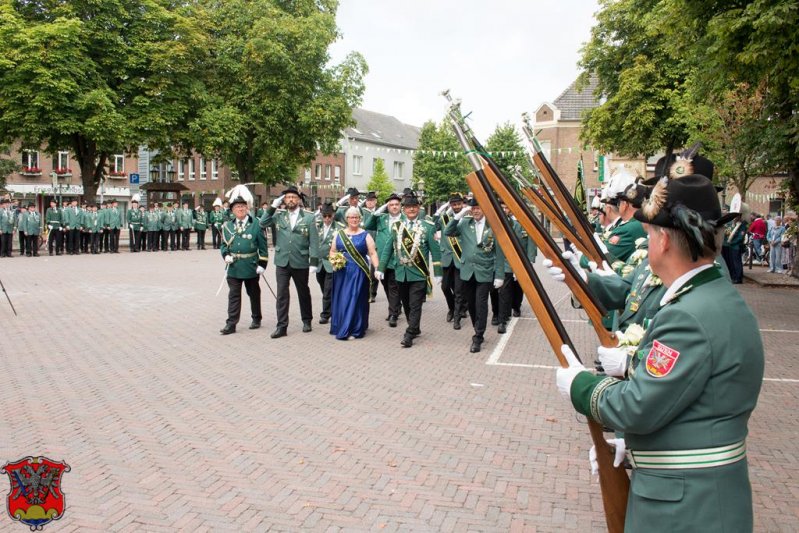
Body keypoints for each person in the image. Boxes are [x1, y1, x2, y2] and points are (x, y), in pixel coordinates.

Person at [556, 173, 762, 532]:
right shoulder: (713, 298)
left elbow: (637, 406)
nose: (648, 242)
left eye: (650, 234)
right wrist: (637, 450)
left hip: (685, 509)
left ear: (663, 240)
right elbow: (688, 404)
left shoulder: (686, 315)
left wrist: (580, 385)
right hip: (703, 495)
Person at [376, 192, 441, 348]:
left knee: (415, 304)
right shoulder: (397, 226)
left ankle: (410, 333)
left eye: (414, 207)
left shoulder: (428, 227)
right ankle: (415, 327)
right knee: (406, 304)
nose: (411, 209)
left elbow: (435, 251)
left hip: (418, 273)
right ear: (403, 209)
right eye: (408, 207)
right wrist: (381, 268)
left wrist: (438, 272)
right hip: (401, 273)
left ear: (418, 208)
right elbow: (388, 249)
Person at [444, 198, 505, 353]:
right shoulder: (465, 223)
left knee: (481, 303)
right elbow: (448, 232)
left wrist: (499, 275)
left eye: (479, 208)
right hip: (467, 271)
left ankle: (478, 336)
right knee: (471, 304)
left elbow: (499, 253)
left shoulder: (493, 225)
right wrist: (458, 216)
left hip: (485, 271)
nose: (476, 211)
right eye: (473, 208)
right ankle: (476, 326)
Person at [259, 186, 319, 338]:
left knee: (303, 292)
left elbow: (314, 241)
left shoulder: (309, 217)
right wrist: (273, 206)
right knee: (282, 294)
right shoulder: (278, 215)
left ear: (299, 200)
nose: (290, 200)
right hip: (282, 261)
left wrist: (314, 261)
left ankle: (307, 320)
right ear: (284, 200)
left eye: (293, 197)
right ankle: (282, 326)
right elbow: (262, 223)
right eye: (287, 197)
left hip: (300, 260)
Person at [329, 207, 380, 339]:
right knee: (343, 299)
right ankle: (341, 325)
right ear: (347, 219)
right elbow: (332, 251)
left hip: (359, 271)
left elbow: (373, 253)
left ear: (360, 219)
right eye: (351, 217)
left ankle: (354, 329)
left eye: (356, 217)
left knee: (355, 298)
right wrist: (334, 261)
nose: (354, 220)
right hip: (341, 272)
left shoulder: (365, 235)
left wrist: (377, 268)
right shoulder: (339, 234)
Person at [220, 194, 268, 335]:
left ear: (247, 208)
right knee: (234, 295)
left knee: (253, 293)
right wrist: (226, 255)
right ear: (232, 210)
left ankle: (256, 318)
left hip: (250, 266)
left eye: (242, 206)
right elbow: (224, 245)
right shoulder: (228, 226)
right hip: (234, 267)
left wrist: (262, 264)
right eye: (237, 207)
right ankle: (231, 323)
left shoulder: (256, 224)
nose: (240, 209)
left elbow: (263, 247)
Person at [363, 193, 404, 327]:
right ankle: (396, 307)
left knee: (393, 286)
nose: (394, 207)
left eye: (396, 204)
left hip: (398, 258)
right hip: (382, 259)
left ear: (400, 206)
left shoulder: (404, 219)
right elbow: (367, 225)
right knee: (386, 285)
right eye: (391, 205)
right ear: (387, 207)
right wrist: (378, 211)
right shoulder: (382, 218)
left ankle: (393, 313)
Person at [434, 193, 467, 329]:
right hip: (447, 258)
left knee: (459, 291)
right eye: (454, 204)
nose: (457, 206)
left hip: (460, 258)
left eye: (459, 204)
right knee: (445, 287)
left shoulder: (467, 218)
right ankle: (452, 308)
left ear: (462, 204)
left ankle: (457, 318)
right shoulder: (445, 218)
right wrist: (442, 209)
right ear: (451, 205)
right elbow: (434, 225)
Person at [316, 203, 343, 325]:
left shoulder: (339, 228)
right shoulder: (317, 226)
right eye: (324, 216)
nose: (327, 219)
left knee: (327, 290)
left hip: (331, 263)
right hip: (319, 263)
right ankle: (332, 306)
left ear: (333, 215)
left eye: (329, 216)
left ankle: (325, 315)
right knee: (323, 288)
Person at [722, 205, 748, 284]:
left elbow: (740, 237)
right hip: (728, 246)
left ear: (739, 216)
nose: (735, 218)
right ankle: (733, 276)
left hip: (736, 246)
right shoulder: (731, 223)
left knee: (736, 263)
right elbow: (726, 232)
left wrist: (732, 242)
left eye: (736, 216)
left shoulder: (743, 224)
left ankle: (738, 278)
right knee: (730, 262)